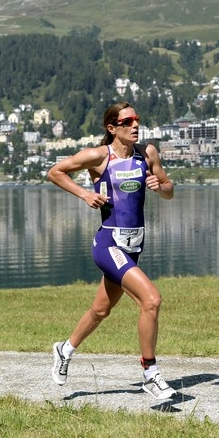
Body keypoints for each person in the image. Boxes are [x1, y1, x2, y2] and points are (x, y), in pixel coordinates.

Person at [47, 101, 177, 400]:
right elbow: (55, 172)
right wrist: (84, 194)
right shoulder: (98, 156)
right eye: (127, 121)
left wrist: (160, 187)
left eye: (137, 120)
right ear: (112, 128)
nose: (135, 125)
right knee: (151, 300)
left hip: (134, 245)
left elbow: (170, 190)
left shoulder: (147, 153)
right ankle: (150, 373)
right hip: (109, 243)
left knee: (101, 310)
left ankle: (65, 349)